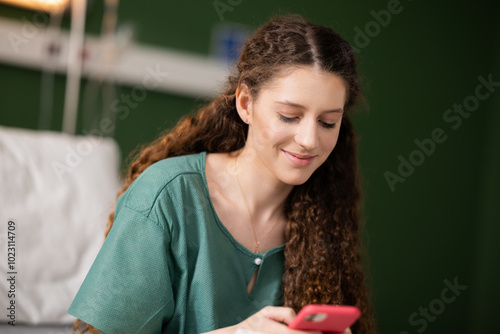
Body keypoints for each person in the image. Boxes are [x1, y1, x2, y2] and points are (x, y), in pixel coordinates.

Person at [69, 13, 376, 334]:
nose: (309, 140)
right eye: (289, 116)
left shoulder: (323, 215)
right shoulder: (165, 197)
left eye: (328, 122)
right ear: (245, 104)